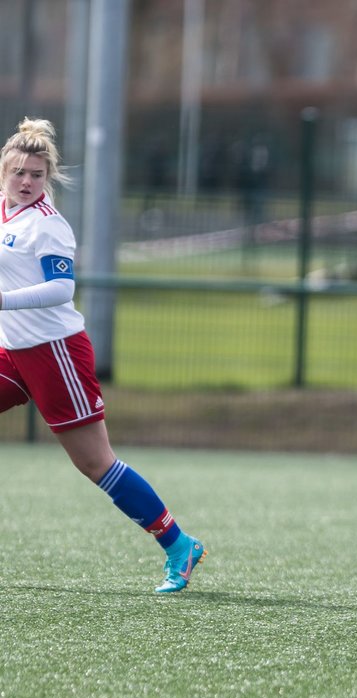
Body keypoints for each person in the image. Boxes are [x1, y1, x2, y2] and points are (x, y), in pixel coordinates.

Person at [0, 118, 206, 593]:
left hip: (55, 355)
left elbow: (61, 288)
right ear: (5, 173)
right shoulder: (5, 212)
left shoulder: (48, 227)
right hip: (11, 352)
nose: (27, 182)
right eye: (19, 173)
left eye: (36, 174)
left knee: (97, 464)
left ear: (47, 177)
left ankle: (179, 545)